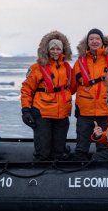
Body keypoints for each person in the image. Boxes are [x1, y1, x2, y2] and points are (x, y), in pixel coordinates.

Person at [71, 28, 108, 160]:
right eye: (91, 39)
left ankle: (103, 174)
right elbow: (72, 87)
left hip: (106, 111)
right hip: (84, 111)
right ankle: (78, 173)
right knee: (81, 147)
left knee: (104, 147)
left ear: (102, 42)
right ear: (87, 42)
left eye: (97, 39)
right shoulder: (79, 62)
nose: (94, 41)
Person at [20, 31, 73, 161]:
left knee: (58, 152)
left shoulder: (66, 68)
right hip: (43, 113)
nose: (55, 51)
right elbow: (27, 89)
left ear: (63, 50)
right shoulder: (37, 68)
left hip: (62, 114)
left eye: (58, 49)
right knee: (43, 152)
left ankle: (57, 178)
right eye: (52, 49)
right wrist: (26, 110)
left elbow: (74, 87)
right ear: (47, 50)